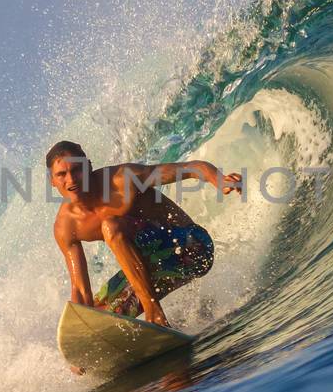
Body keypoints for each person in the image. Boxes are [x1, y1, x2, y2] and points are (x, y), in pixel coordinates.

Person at [46, 140, 241, 327]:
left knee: (110, 226)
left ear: (88, 167)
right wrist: (81, 336)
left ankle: (154, 313)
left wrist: (219, 180)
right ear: (52, 181)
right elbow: (81, 291)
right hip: (150, 266)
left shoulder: (123, 179)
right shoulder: (65, 226)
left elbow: (189, 168)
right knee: (101, 315)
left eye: (77, 170)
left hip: (193, 247)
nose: (71, 180)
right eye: (62, 174)